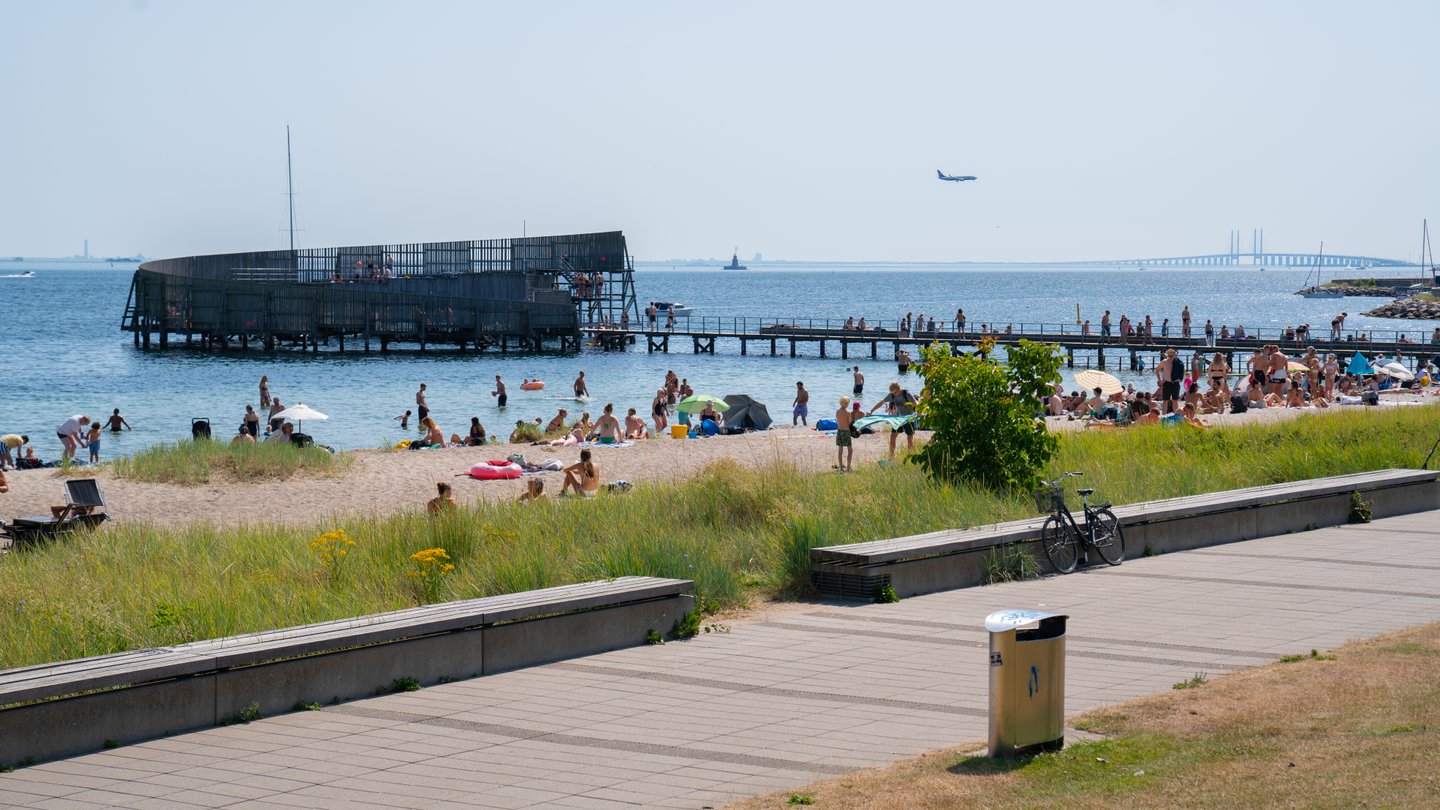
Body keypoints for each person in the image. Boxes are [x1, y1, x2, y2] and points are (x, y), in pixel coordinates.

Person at [868, 382, 918, 458]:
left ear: (899, 389)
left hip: (909, 419)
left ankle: (910, 457)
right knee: (892, 436)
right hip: (899, 419)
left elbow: (916, 403)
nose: (894, 394)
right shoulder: (892, 395)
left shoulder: (906, 393)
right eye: (892, 393)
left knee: (909, 438)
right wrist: (871, 411)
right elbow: (882, 402)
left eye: (895, 392)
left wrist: (918, 411)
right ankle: (891, 457)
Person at [1160, 349, 1183, 414]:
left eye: (1171, 356)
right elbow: (1157, 370)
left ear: (1174, 355)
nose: (1170, 357)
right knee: (1165, 400)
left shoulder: (1178, 362)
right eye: (1169, 356)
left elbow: (1182, 371)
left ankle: (1176, 414)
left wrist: (1180, 379)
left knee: (1175, 400)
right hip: (1166, 382)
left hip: (1175, 382)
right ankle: (1163, 415)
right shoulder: (1164, 361)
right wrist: (1160, 380)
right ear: (1167, 355)